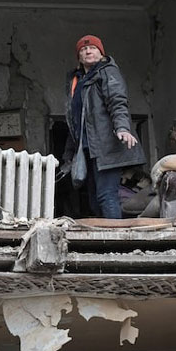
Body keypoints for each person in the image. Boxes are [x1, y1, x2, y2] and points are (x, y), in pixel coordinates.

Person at [63, 35, 146, 218]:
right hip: (88, 149)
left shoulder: (107, 72)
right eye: (84, 49)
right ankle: (105, 241)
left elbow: (117, 101)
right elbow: (75, 121)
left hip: (107, 145)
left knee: (106, 195)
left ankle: (117, 242)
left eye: (93, 48)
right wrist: (68, 155)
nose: (88, 51)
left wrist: (122, 128)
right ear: (79, 57)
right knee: (93, 198)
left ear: (101, 53)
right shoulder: (77, 82)